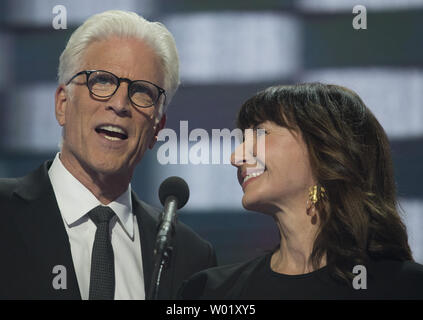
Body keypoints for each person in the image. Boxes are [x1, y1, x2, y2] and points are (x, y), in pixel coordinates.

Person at [0, 10, 216, 300]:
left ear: (156, 129)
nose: (119, 103)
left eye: (142, 91)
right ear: (63, 104)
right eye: (101, 80)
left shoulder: (192, 257)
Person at [179, 82, 423, 299]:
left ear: (325, 148)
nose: (236, 157)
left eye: (261, 133)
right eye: (242, 139)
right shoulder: (209, 292)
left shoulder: (408, 287)